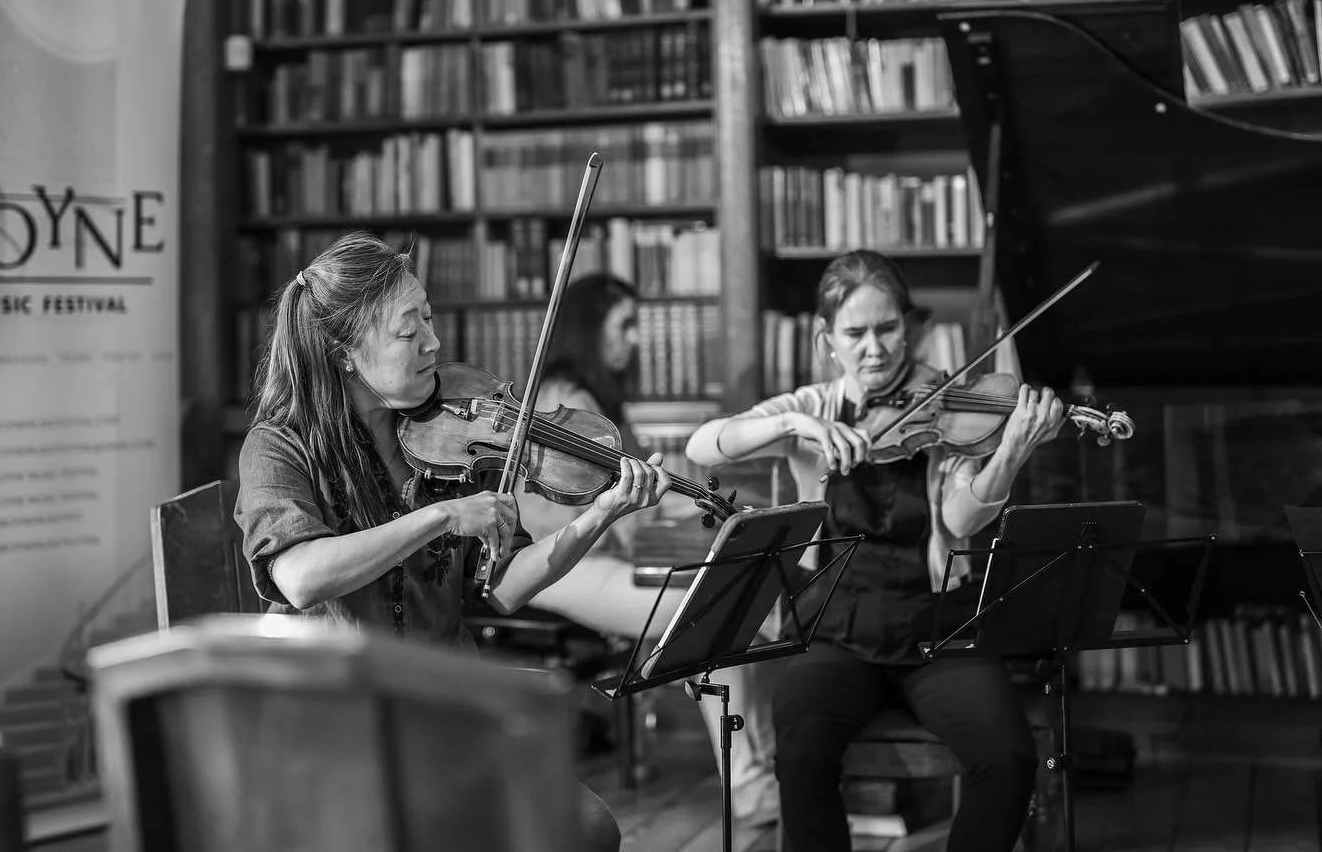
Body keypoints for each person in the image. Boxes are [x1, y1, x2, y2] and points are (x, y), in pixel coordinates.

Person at [234, 233, 673, 852]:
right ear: (345, 353)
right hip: (338, 719)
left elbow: (504, 586)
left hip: (442, 707)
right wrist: (440, 517)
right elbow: (301, 577)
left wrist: (600, 514)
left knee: (592, 830)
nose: (433, 343)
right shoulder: (279, 446)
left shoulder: (451, 439)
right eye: (407, 329)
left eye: (430, 318)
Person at [685, 249, 1064, 852]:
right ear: (826, 339)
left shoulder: (945, 404)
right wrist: (791, 426)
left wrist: (1010, 456)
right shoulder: (812, 406)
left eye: (887, 329)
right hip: (834, 635)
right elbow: (703, 446)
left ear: (908, 328)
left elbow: (960, 518)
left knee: (1009, 759)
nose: (874, 349)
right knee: (801, 752)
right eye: (854, 333)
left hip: (935, 633)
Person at [515, 272, 780, 826]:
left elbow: (646, 503)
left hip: (599, 556)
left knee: (732, 609)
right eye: (625, 324)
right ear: (591, 329)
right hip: (556, 565)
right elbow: (622, 515)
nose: (636, 338)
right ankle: (751, 784)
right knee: (711, 614)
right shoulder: (566, 403)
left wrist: (717, 511)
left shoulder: (596, 401)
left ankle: (762, 772)